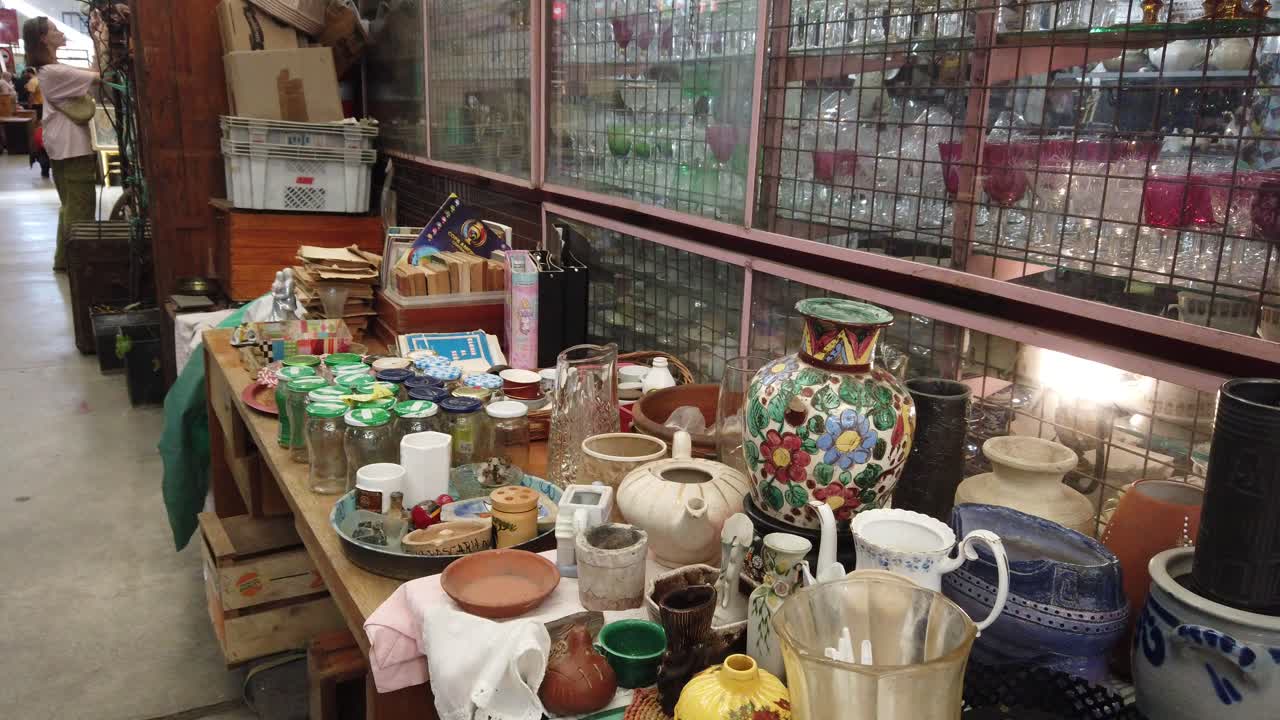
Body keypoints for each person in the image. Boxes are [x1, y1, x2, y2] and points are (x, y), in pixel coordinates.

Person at [23, 17, 98, 272]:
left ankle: (64, 260)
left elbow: (91, 74)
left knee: (69, 207)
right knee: (80, 208)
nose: (60, 32)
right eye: (54, 29)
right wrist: (102, 39)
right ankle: (79, 264)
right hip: (72, 148)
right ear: (43, 38)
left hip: (61, 147)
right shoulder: (54, 72)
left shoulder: (51, 70)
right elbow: (102, 76)